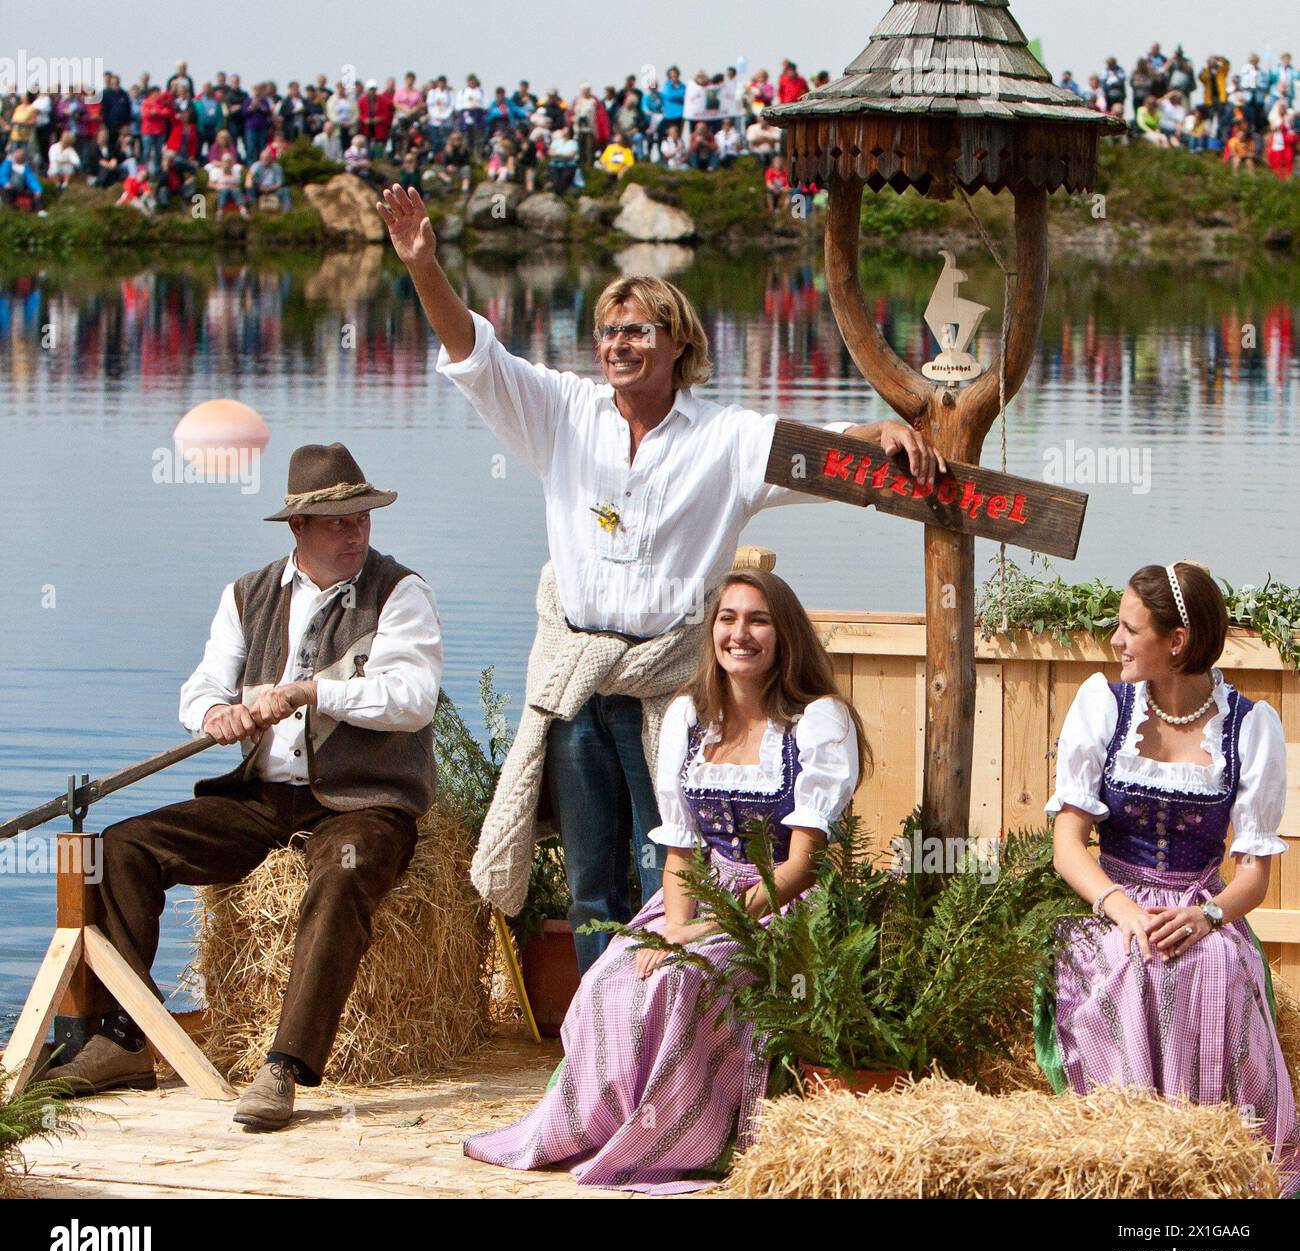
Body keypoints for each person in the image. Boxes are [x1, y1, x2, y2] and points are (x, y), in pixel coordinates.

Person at [376, 187, 941, 974]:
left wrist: (877, 434)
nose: (617, 344)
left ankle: (680, 1028)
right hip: (577, 682)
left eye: (636, 330)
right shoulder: (563, 413)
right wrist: (423, 266)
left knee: (668, 872)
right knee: (590, 886)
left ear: (678, 341)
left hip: (672, 692)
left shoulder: (726, 438)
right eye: (608, 331)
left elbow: (817, 450)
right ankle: (598, 1044)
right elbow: (476, 356)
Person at [43, 444, 442, 1131]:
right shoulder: (246, 594)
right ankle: (124, 1038)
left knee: (339, 876)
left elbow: (413, 698)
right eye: (338, 522)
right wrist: (215, 714)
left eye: (362, 519)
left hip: (362, 799)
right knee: (121, 848)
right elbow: (200, 687)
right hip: (259, 798)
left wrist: (313, 690)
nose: (355, 533)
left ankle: (282, 1067)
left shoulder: (402, 593)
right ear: (298, 529)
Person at [464, 569, 865, 1190]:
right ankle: (602, 1128)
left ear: (784, 635)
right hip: (696, 899)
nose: (740, 634)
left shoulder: (818, 721)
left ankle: (676, 1138)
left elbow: (802, 864)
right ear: (711, 632)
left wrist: (708, 932)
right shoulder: (688, 718)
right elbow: (679, 849)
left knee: (682, 982)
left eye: (758, 620)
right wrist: (678, 927)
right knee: (609, 979)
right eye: (727, 619)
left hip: (779, 905)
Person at [1039, 561, 1299, 1195]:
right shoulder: (1105, 705)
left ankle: (1215, 1167)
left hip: (1200, 908)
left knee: (1208, 963)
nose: (1116, 642)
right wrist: (1122, 909)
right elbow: (1067, 848)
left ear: (1175, 641)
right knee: (1129, 960)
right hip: (1113, 903)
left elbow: (1254, 878)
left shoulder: (1250, 726)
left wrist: (1206, 916)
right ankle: (1124, 1164)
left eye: (1129, 629)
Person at [248, 145, 290, 211]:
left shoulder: (277, 168)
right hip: (259, 188)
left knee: (285, 190)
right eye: (264, 158)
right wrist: (257, 186)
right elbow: (250, 177)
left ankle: (287, 211)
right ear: (260, 158)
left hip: (273, 189)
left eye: (267, 158)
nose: (266, 160)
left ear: (271, 158)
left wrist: (269, 188)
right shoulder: (256, 166)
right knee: (250, 188)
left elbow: (279, 183)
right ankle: (253, 208)